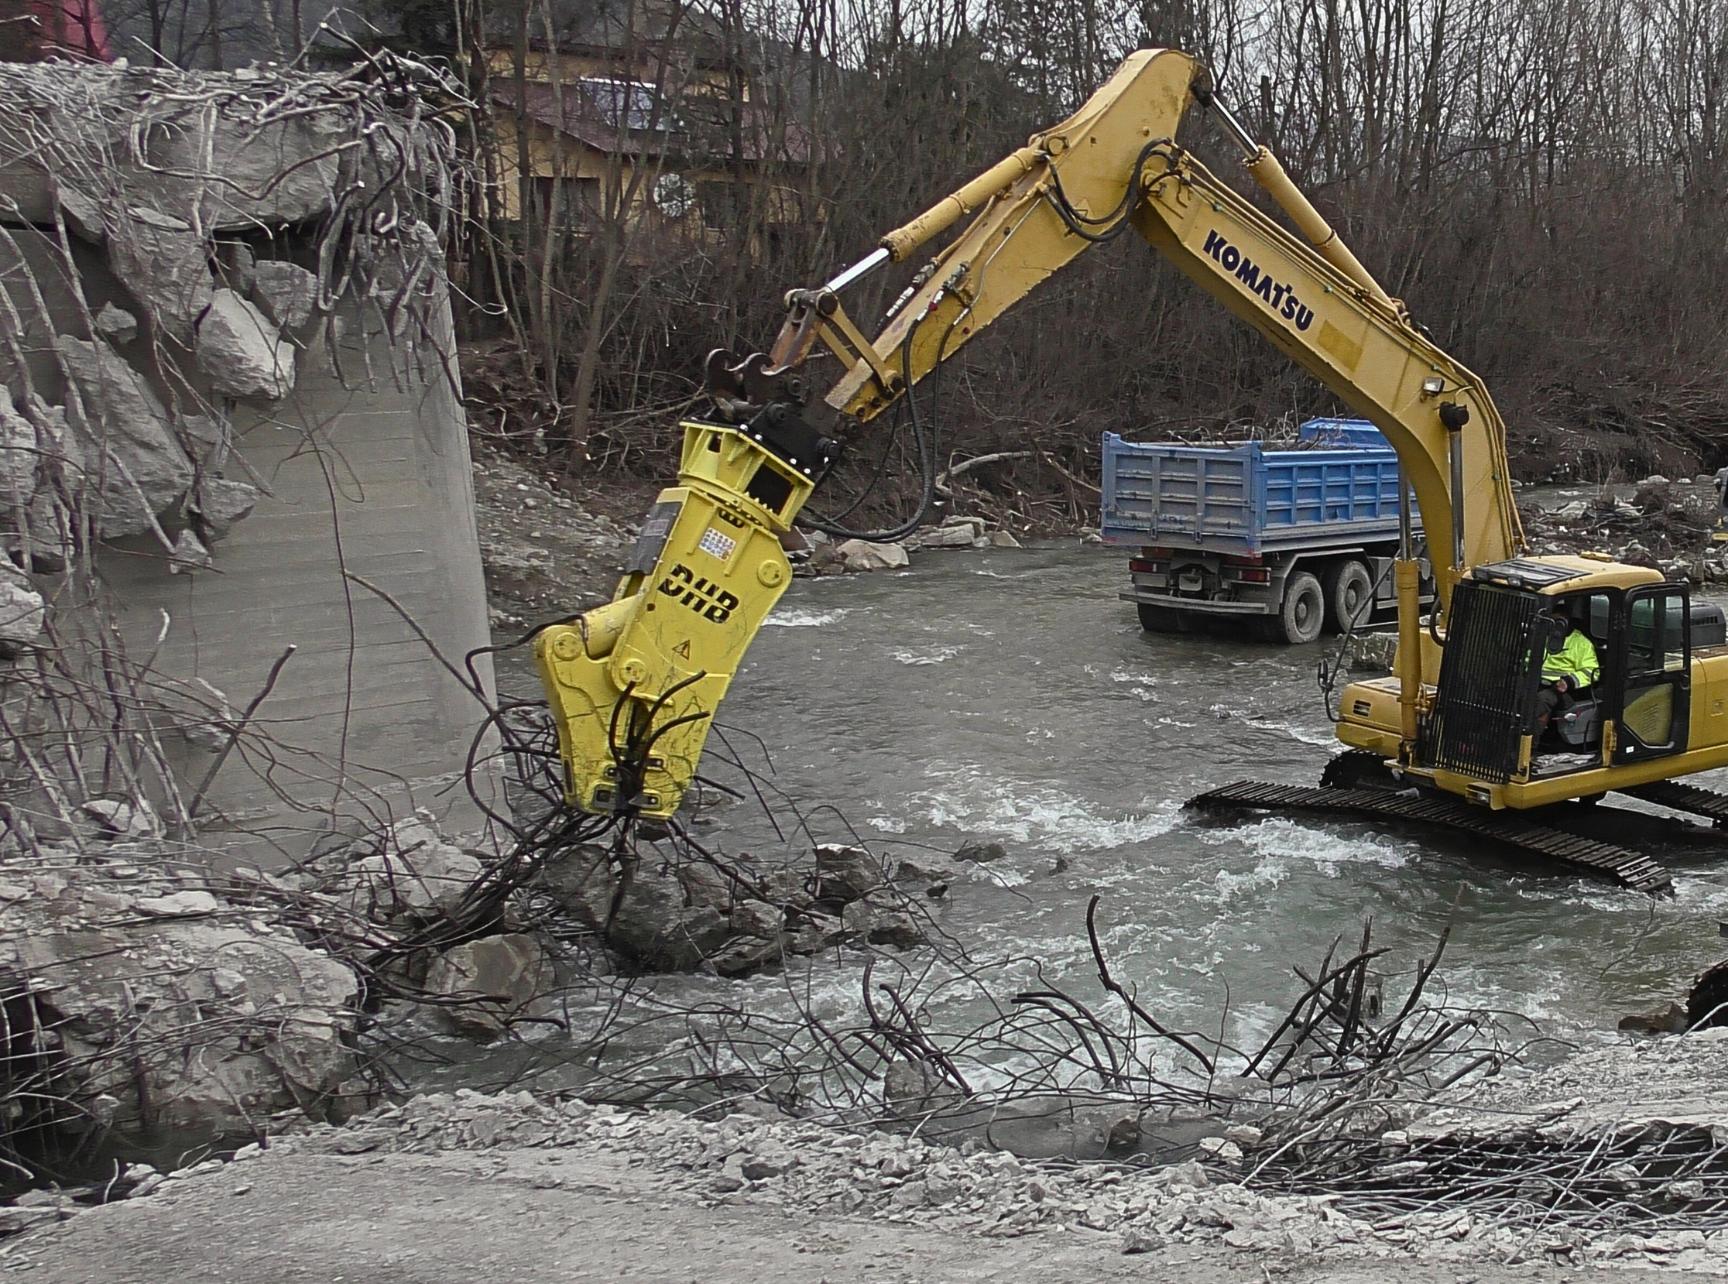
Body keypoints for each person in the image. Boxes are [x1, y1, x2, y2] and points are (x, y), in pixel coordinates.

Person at [1536, 608, 1599, 733]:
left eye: (1556, 620)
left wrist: (1568, 681)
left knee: (1540, 701)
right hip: (1536, 683)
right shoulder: (1541, 637)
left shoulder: (1581, 643)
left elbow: (1592, 671)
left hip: (1562, 690)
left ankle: (1528, 745)